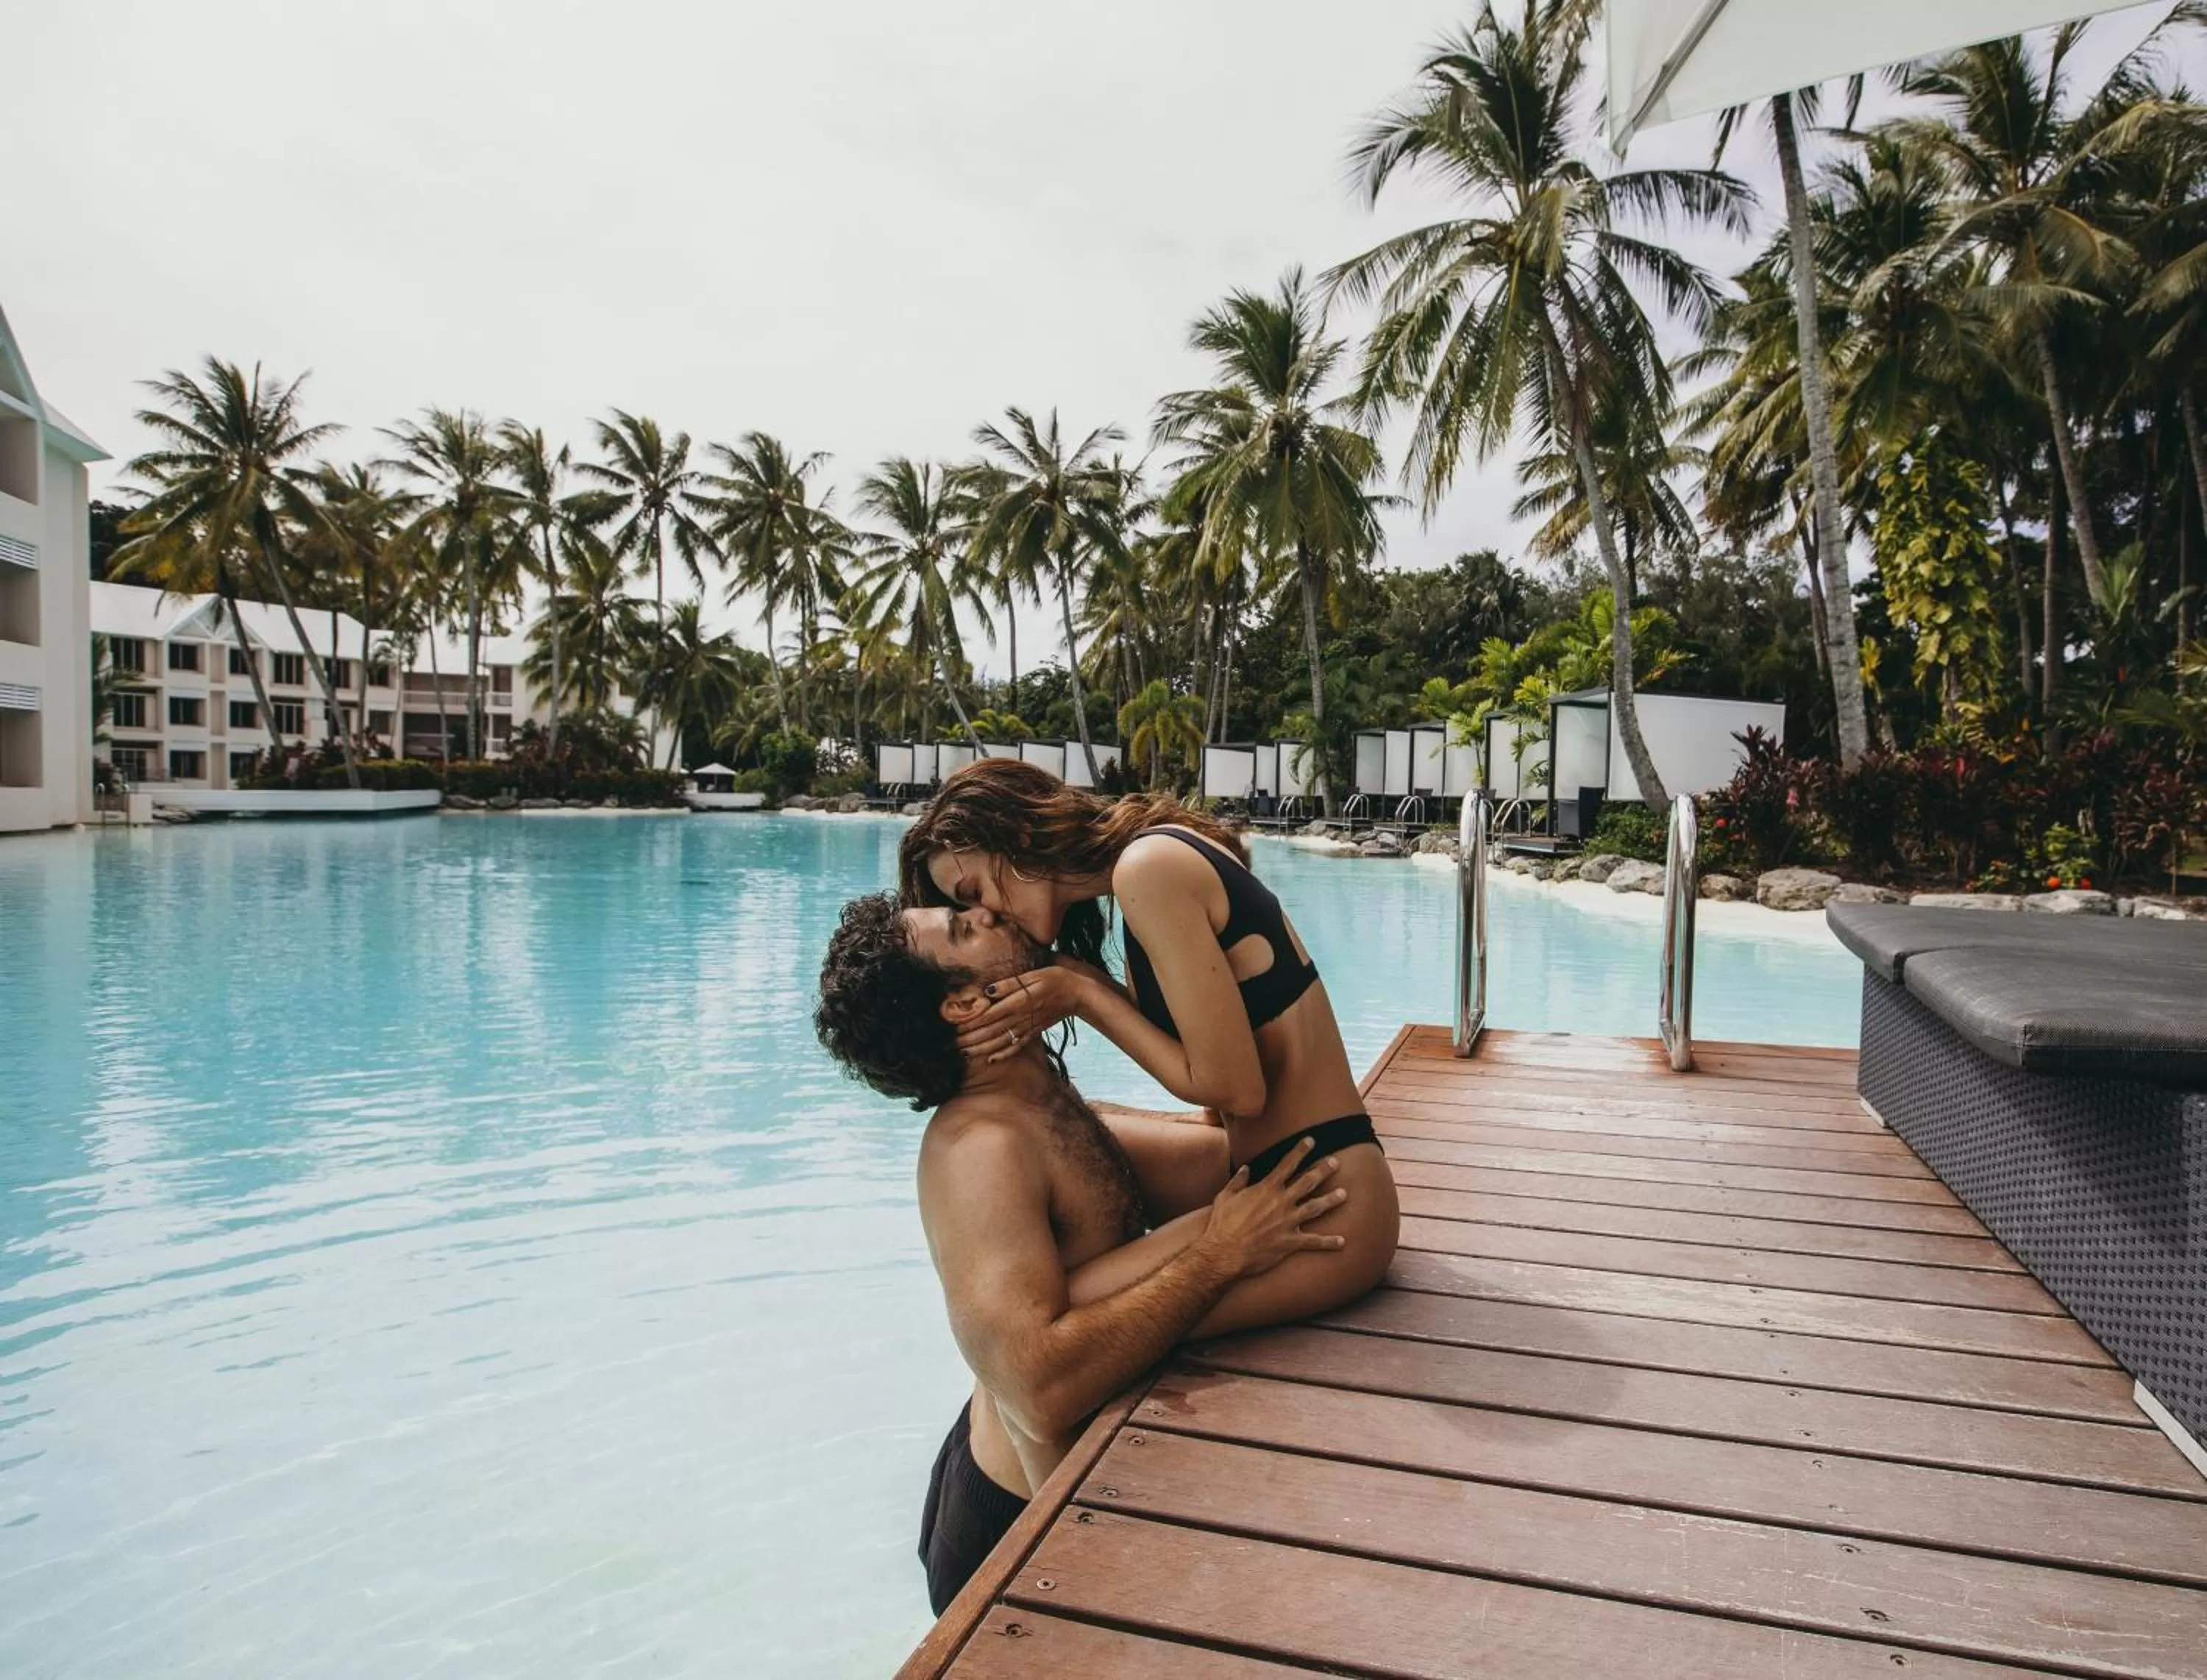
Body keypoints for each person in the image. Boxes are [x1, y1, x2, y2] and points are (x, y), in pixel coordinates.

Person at [815, 891, 1351, 1615]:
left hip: (1040, 1475)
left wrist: (1167, 1006)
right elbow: (1036, 1392)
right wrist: (1220, 1253)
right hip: (1005, 1539)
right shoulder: (979, 1151)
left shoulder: (1044, 1105)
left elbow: (1240, 1154)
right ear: (966, 1005)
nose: (991, 913)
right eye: (964, 929)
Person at [898, 758, 1399, 1328]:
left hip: (1328, 1206)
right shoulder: (1149, 862)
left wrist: (1082, 996)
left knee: (1053, 1320)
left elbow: (1238, 1090)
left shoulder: (1148, 870)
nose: (987, 914)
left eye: (974, 892)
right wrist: (1078, 981)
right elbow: (1223, 1083)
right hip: (1296, 1175)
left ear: (1017, 836)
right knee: (1054, 1212)